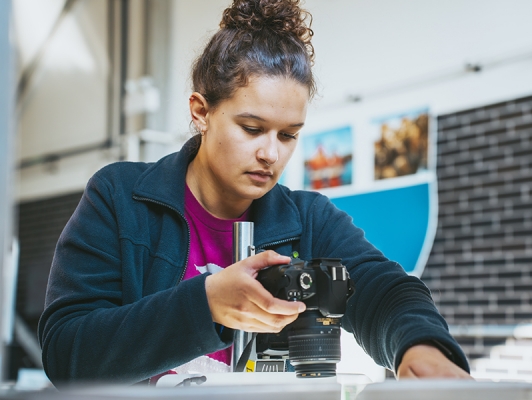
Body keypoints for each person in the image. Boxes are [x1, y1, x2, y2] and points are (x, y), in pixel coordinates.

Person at [38, 0, 471, 385]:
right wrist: (204, 304)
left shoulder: (309, 221)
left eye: (288, 135)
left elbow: (384, 290)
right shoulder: (120, 198)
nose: (270, 153)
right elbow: (67, 352)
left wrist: (421, 348)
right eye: (252, 128)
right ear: (201, 111)